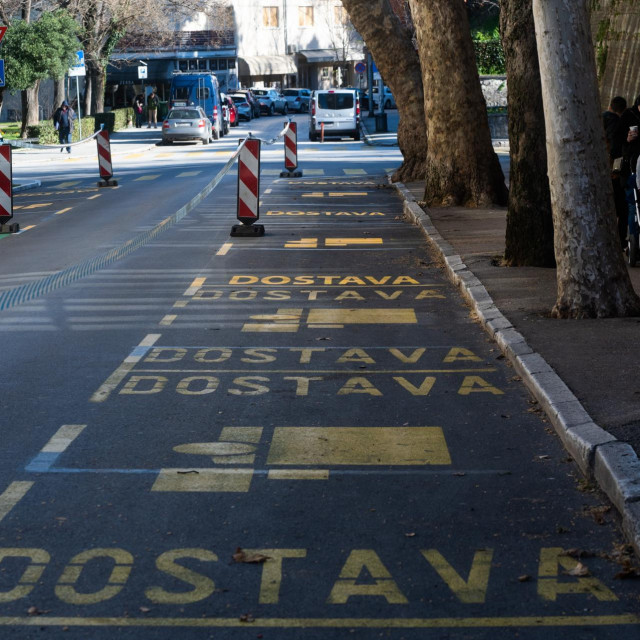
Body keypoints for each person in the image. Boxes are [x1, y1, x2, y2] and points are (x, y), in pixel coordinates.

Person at [603, 96, 628, 247]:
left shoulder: (599, 118)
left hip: (601, 170)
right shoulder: (615, 121)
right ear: (623, 110)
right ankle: (619, 240)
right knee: (622, 207)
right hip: (613, 171)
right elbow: (615, 147)